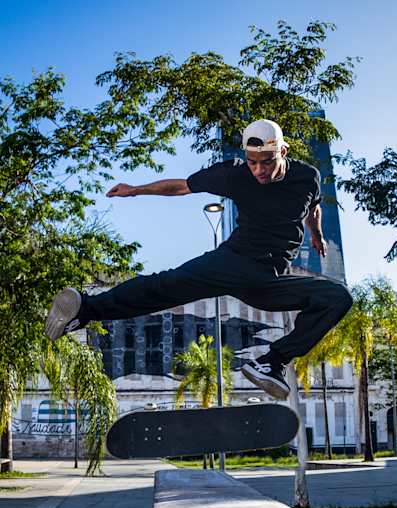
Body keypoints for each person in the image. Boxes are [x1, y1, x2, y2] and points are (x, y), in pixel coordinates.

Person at [45, 119, 352, 400]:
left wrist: (317, 235)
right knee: (166, 285)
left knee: (337, 297)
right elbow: (181, 186)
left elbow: (313, 208)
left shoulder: (308, 177)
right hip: (233, 260)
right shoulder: (234, 174)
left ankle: (271, 361)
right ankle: (85, 309)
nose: (259, 170)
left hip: (269, 279)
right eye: (253, 162)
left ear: (283, 151)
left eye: (267, 162)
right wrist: (136, 190)